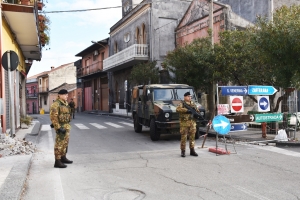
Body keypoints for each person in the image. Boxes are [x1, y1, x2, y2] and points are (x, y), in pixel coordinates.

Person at [50, 89, 73, 168]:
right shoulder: (56, 104)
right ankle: (57, 161)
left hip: (66, 126)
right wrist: (58, 128)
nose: (67, 96)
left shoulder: (65, 103)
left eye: (67, 94)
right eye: (65, 94)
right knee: (59, 144)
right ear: (60, 95)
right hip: (61, 127)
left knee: (65, 143)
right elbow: (53, 117)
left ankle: (63, 157)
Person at [176, 92, 200, 157]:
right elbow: (177, 109)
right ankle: (183, 151)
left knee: (192, 137)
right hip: (184, 123)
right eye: (188, 96)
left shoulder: (193, 104)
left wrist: (197, 113)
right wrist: (186, 110)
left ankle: (192, 150)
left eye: (190, 96)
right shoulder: (182, 104)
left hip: (192, 123)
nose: (190, 97)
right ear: (185, 97)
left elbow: (197, 111)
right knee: (184, 138)